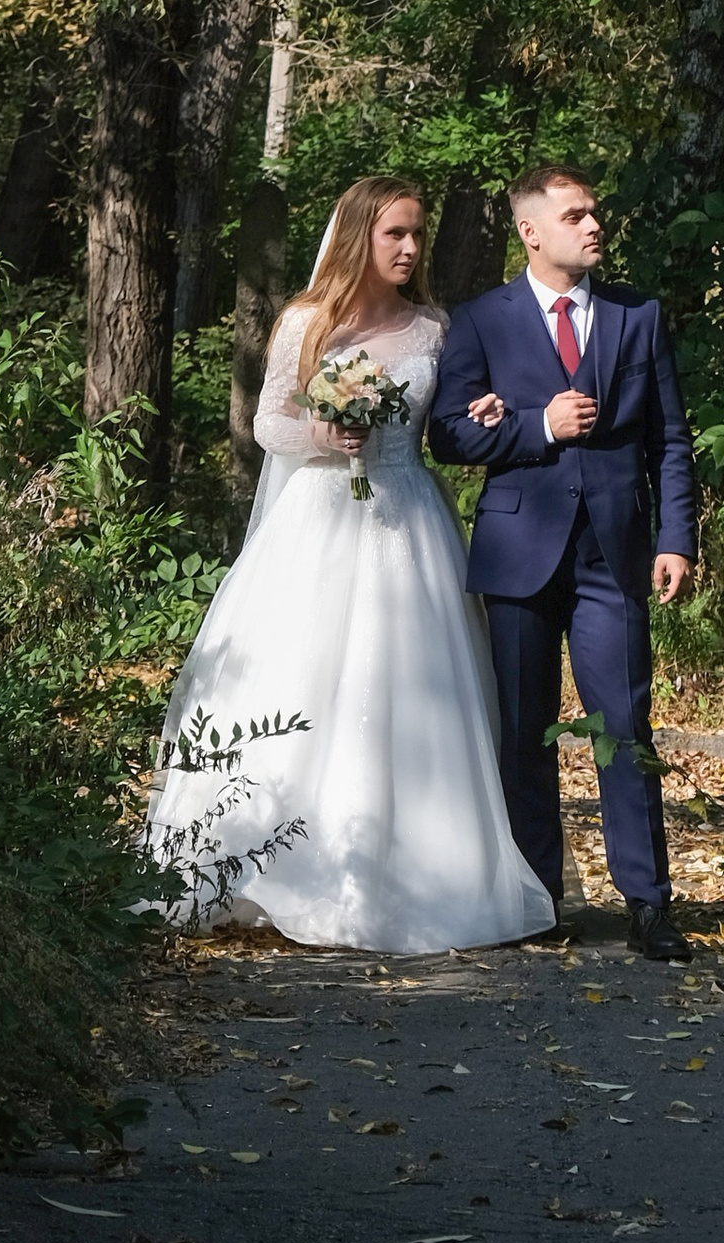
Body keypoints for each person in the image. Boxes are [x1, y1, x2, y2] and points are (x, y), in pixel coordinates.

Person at [141, 175, 551, 955]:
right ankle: (274, 862)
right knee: (302, 680)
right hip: (319, 520)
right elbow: (268, 423)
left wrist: (484, 413)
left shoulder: (435, 326)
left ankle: (418, 873)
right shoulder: (307, 320)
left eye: (418, 235)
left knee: (404, 685)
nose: (409, 248)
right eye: (395, 233)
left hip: (409, 522)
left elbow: (446, 427)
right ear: (359, 235)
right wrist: (326, 437)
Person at [427, 161, 697, 962]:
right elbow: (447, 434)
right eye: (575, 214)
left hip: (615, 554)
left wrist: (677, 536)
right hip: (518, 552)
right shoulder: (481, 320)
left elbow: (671, 439)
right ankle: (536, 899)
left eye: (594, 212)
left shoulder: (637, 315)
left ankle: (648, 904)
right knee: (524, 733)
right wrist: (537, 424)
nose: (593, 225)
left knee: (626, 726)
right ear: (530, 230)